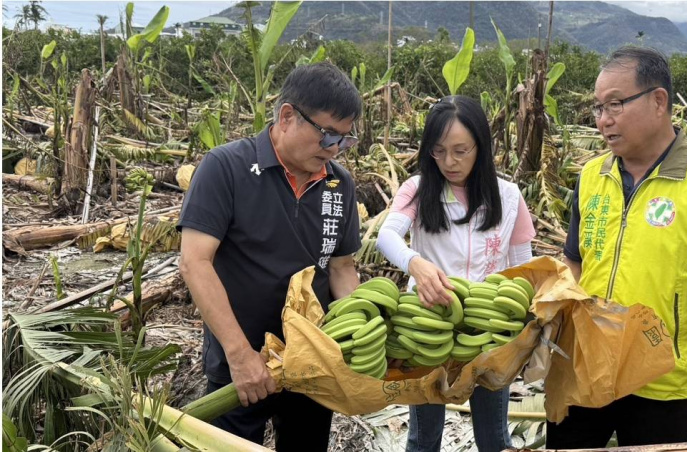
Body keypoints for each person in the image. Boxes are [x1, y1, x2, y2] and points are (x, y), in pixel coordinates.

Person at [551, 46, 687, 448]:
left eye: (615, 104)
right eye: (598, 108)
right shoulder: (592, 176)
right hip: (584, 370)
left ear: (659, 101)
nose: (603, 120)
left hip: (663, 384)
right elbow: (574, 263)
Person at [178, 62, 363, 450]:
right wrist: (240, 355)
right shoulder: (225, 168)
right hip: (241, 366)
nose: (334, 150)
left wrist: (357, 336)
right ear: (287, 116)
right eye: (327, 135)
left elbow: (343, 268)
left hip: (313, 362)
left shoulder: (339, 184)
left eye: (344, 140)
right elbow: (195, 262)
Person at [376, 95, 536, 452]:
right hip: (428, 329)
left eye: (461, 150)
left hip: (488, 331)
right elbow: (387, 235)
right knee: (423, 437)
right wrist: (414, 262)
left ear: (481, 145)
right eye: (439, 150)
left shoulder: (508, 196)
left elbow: (524, 265)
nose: (449, 162)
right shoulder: (419, 189)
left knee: (494, 436)